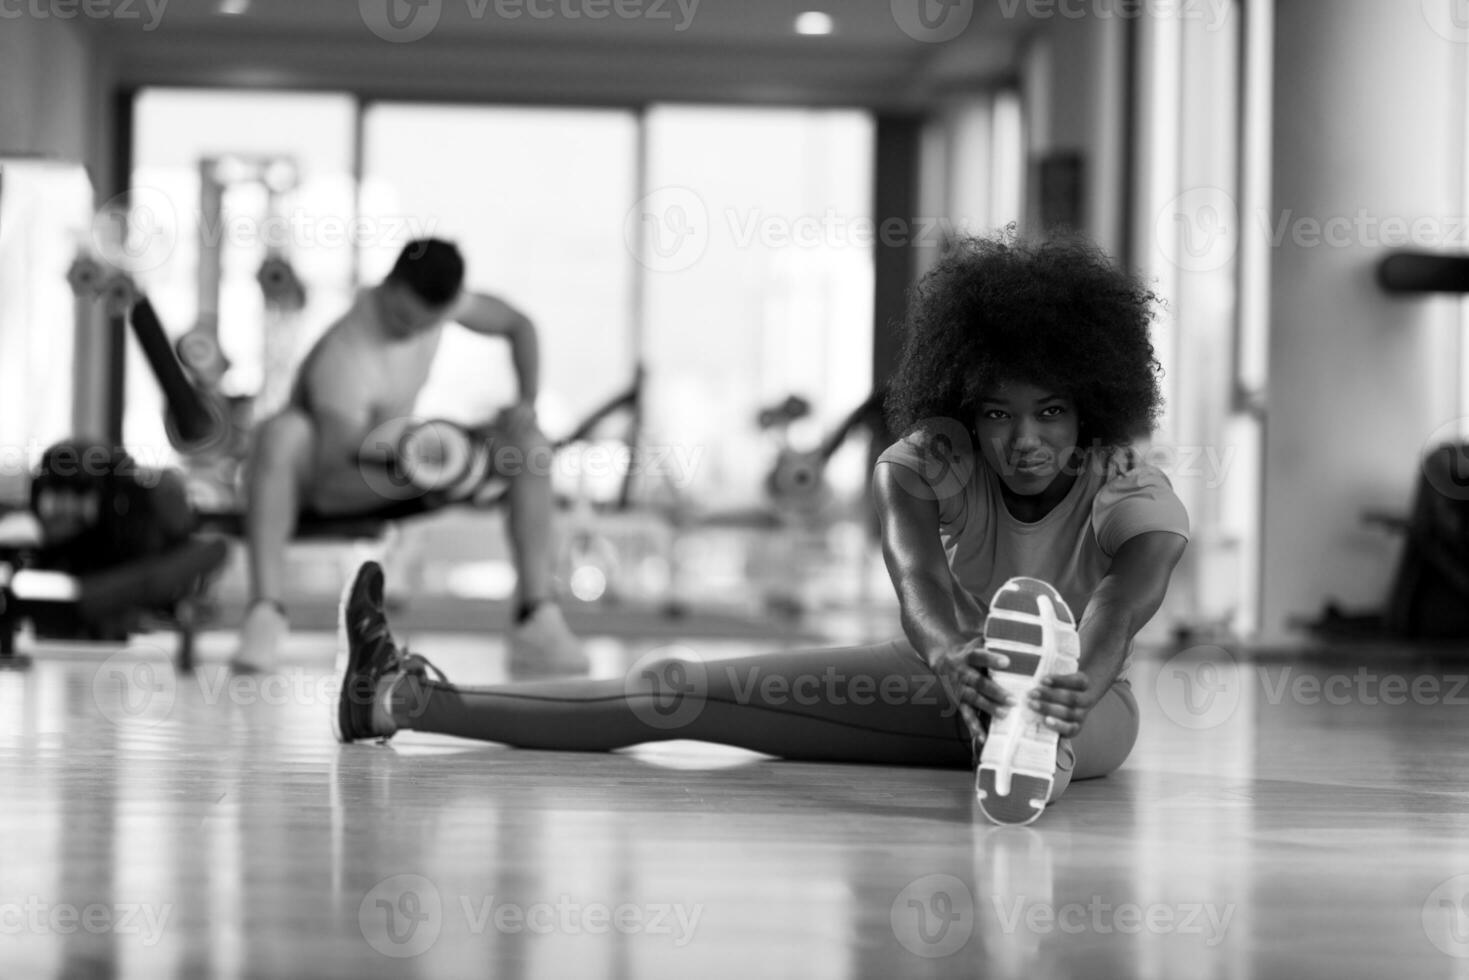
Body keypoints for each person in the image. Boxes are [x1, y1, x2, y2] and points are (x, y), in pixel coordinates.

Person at [327, 232, 1189, 824]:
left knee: (1052, 711)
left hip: (1087, 702)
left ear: (1091, 410)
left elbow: (1127, 591)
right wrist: (954, 658)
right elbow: (918, 582)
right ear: (965, 404)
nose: (1024, 439)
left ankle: (1029, 737)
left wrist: (1083, 673)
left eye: (1050, 413)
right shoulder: (926, 462)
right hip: (932, 674)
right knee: (674, 689)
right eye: (998, 413)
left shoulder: (1124, 482)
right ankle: (400, 697)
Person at [232, 238, 584, 676]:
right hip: (334, 481)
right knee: (282, 433)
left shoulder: (441, 304)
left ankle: (536, 617)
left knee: (530, 447)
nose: (410, 330)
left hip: (404, 464)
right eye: (401, 318)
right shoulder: (347, 353)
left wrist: (525, 402)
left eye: (425, 324)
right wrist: (424, 464)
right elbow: (333, 469)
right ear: (388, 286)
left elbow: (519, 325)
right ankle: (265, 611)